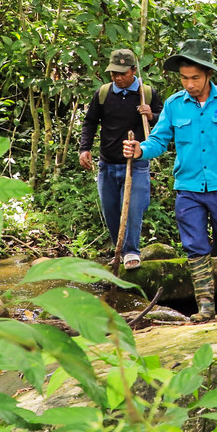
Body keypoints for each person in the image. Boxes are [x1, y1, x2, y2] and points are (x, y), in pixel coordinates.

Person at [123, 39, 217, 322]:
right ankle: (204, 304)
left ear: (208, 74)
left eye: (195, 78)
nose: (189, 84)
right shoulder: (175, 105)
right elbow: (160, 140)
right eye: (184, 78)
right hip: (188, 187)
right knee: (195, 244)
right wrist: (140, 149)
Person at [79, 49, 163, 270]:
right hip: (107, 164)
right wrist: (84, 149)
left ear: (133, 70)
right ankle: (119, 250)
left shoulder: (148, 93)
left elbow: (164, 123)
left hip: (137, 164)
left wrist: (151, 115)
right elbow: (90, 122)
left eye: (122, 73)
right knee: (111, 210)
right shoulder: (103, 94)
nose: (117, 77)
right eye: (114, 73)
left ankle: (132, 251)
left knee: (134, 209)